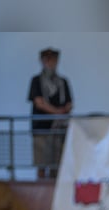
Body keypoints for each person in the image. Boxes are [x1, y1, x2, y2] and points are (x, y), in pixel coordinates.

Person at [28, 47, 73, 179]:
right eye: (47, 60)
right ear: (42, 61)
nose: (50, 63)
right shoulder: (36, 81)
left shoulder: (63, 82)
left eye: (53, 60)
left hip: (59, 130)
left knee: (57, 164)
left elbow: (69, 103)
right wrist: (57, 112)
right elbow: (39, 102)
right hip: (41, 129)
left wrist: (62, 112)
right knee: (41, 163)